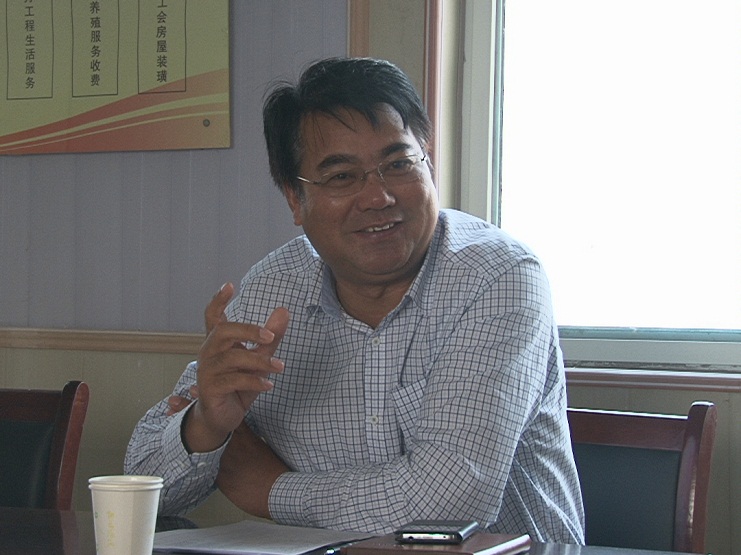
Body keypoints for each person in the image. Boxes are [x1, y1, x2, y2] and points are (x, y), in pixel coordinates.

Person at [124, 57, 585, 543]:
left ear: (428, 161)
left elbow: (449, 503)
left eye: (398, 164)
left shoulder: (498, 278)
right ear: (295, 199)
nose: (378, 197)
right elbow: (138, 487)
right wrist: (205, 427)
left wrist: (271, 490)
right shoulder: (273, 289)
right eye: (342, 176)